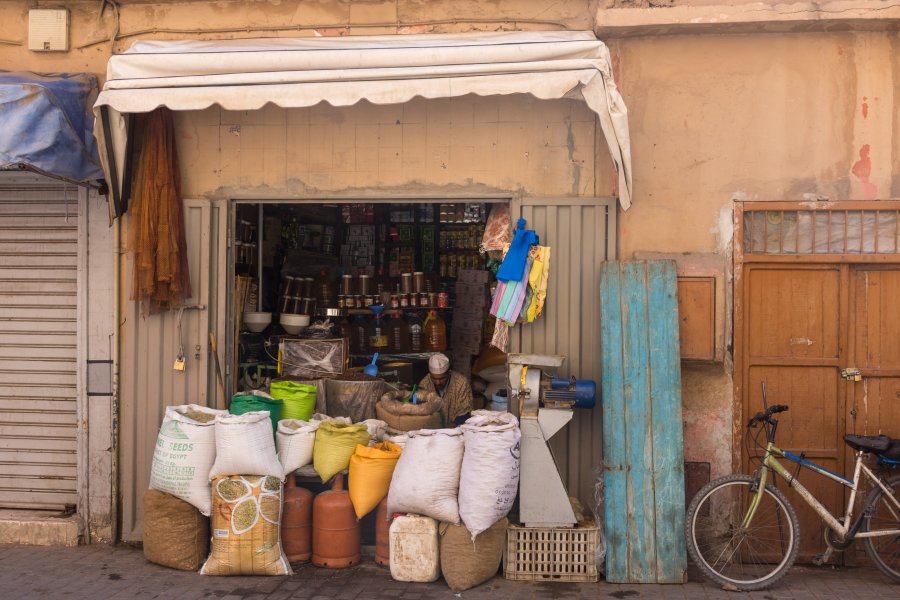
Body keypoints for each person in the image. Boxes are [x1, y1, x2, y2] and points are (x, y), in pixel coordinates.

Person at [417, 353, 473, 426]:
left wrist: (455, 427)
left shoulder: (461, 383)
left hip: (457, 428)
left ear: (449, 373)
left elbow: (464, 412)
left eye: (441, 378)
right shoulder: (424, 384)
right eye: (434, 378)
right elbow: (421, 410)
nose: (437, 382)